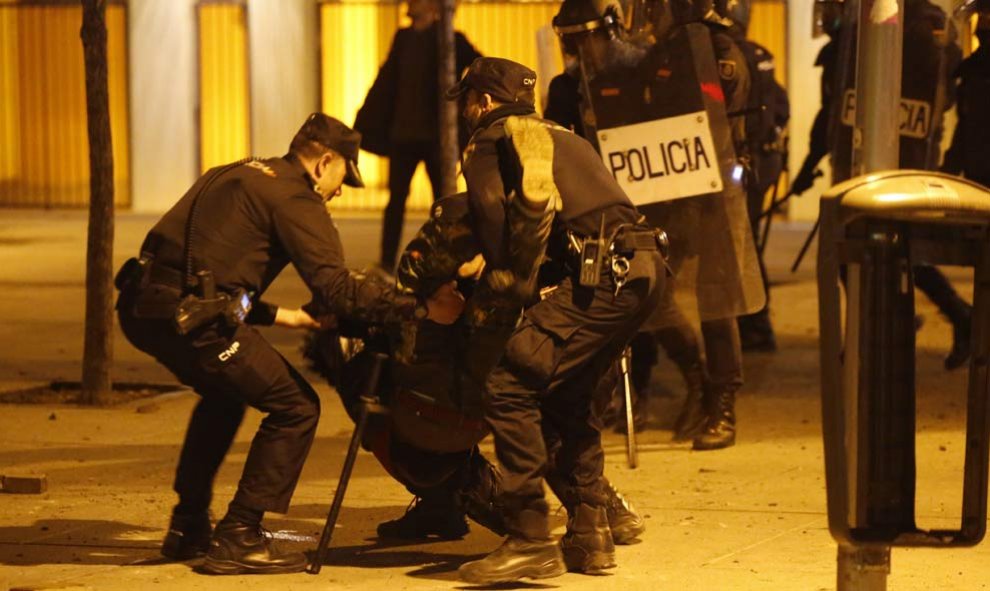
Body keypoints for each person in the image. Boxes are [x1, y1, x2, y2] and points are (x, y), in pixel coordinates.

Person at [114, 113, 461, 575]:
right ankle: (240, 534)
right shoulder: (296, 197)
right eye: (342, 178)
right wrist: (419, 307)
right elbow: (336, 288)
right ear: (323, 162)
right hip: (189, 318)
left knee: (225, 393)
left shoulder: (242, 171)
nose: (339, 191)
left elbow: (203, 269)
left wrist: (284, 316)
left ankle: (188, 525)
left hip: (143, 307)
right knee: (295, 406)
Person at [303, 192, 647, 546]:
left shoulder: (537, 261)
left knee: (527, 396)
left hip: (493, 397)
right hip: (471, 394)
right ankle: (580, 511)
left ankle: (578, 511)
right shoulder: (464, 263)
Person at [447, 57, 667, 584]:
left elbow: (502, 237)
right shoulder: (565, 137)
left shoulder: (490, 140)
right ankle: (591, 534)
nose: (467, 114)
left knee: (506, 382)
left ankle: (528, 538)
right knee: (566, 394)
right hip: (644, 271)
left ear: (482, 101)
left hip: (602, 279)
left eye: (468, 104)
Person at [795, 0, 972, 370]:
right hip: (859, 161)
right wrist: (811, 162)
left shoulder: (911, 29)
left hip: (904, 161)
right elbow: (834, 110)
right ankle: (886, 327)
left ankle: (948, 318)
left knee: (894, 250)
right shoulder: (850, 42)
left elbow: (942, 96)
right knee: (856, 253)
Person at [353, 0, 482, 271]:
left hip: (437, 140)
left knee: (443, 202)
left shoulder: (450, 39)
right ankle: (387, 261)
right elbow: (386, 80)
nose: (410, 3)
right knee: (396, 200)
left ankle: (446, 258)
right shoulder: (404, 38)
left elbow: (479, 67)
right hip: (404, 136)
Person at [719, 0, 790, 352]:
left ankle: (757, 325)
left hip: (742, 167)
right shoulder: (758, 53)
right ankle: (753, 324)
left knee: (740, 247)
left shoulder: (727, 56)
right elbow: (782, 106)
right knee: (744, 244)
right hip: (760, 163)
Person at [943, 0, 990, 189]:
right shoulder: (974, 73)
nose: (983, 25)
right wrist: (945, 177)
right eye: (983, 16)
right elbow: (965, 133)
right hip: (977, 188)